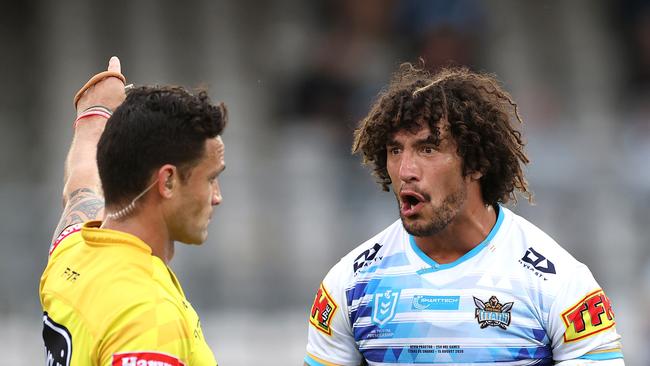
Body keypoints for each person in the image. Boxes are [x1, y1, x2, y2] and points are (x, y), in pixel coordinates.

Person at [304, 64, 624, 365]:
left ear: (476, 163)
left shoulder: (559, 285)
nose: (406, 170)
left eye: (428, 149)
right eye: (395, 150)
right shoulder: (350, 285)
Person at [40, 56, 227, 365]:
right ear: (167, 181)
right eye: (211, 179)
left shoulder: (72, 250)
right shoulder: (147, 317)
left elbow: (80, 188)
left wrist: (93, 114)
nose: (217, 197)